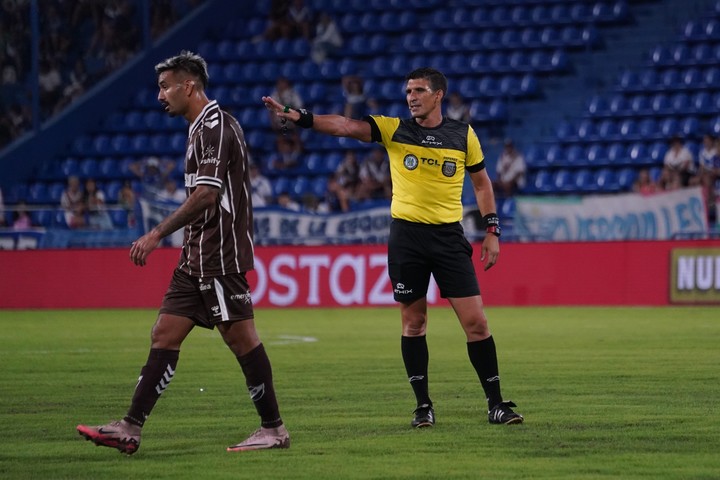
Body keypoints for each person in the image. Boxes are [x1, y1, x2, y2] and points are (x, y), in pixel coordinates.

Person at [262, 67, 523, 428]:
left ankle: (496, 404)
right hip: (407, 239)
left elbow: (482, 184)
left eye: (418, 90)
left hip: (449, 238)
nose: (411, 97)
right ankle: (423, 407)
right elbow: (344, 126)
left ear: (438, 95)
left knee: (477, 323)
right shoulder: (394, 129)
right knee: (413, 323)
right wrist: (300, 117)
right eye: (408, 91)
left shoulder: (463, 135)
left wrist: (492, 229)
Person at [77, 50, 289, 455]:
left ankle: (274, 429)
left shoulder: (215, 127)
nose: (160, 96)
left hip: (218, 253)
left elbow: (207, 195)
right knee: (165, 333)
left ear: (188, 86)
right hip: (196, 255)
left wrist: (156, 233)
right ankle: (130, 427)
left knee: (242, 339)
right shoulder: (199, 128)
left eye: (164, 86)